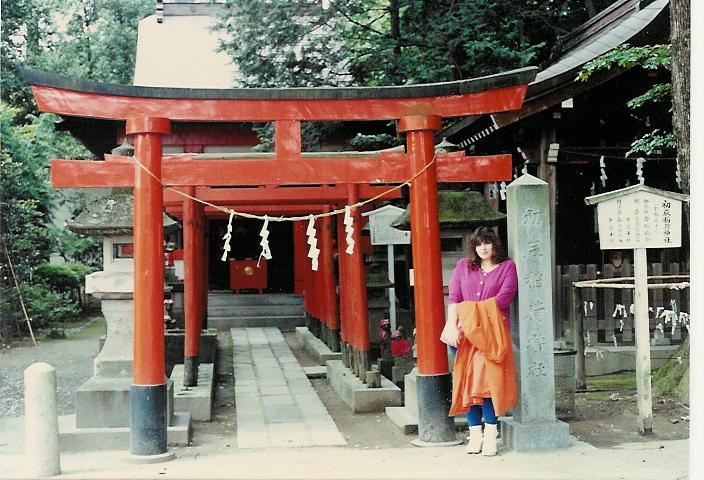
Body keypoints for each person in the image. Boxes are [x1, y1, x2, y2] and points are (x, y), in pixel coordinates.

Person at [441, 226, 518, 456]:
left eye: (487, 242)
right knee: (468, 386)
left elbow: (503, 300)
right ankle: (474, 435)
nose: (483, 247)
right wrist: (450, 325)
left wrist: (469, 315)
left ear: (495, 245)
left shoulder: (507, 268)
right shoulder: (463, 266)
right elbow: (454, 296)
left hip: (491, 336)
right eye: (478, 243)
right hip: (463, 336)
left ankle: (491, 437)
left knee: (488, 386)